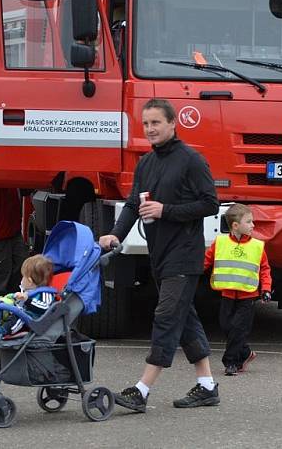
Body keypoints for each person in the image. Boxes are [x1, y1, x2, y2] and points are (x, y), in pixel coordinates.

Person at [98, 98, 220, 412]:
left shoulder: (192, 160)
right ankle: (207, 386)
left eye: (156, 123)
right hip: (160, 255)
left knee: (166, 317)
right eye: (147, 123)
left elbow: (210, 204)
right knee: (184, 317)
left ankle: (142, 389)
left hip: (185, 255)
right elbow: (133, 205)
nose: (150, 129)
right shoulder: (146, 163)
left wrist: (167, 211)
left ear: (172, 123)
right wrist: (115, 234)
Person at [204, 203, 272, 376]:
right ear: (235, 226)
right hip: (227, 294)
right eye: (249, 222)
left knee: (238, 329)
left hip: (248, 296)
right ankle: (246, 353)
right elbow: (206, 261)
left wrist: (266, 289)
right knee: (226, 326)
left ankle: (231, 362)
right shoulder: (220, 242)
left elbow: (264, 269)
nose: (253, 225)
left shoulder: (257, 246)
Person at [0, 254, 56, 343]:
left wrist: (27, 300)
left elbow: (46, 307)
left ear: (30, 280)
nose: (21, 279)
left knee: (17, 317)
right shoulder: (27, 292)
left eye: (23, 276)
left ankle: (0, 332)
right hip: (21, 314)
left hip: (33, 321)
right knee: (3, 311)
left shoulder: (45, 293)